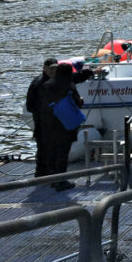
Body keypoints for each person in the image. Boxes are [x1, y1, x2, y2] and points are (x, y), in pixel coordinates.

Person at [25, 61, 86, 190]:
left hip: (48, 125)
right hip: (65, 125)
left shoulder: (46, 85)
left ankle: (51, 178)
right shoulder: (69, 86)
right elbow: (77, 103)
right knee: (63, 154)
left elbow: (40, 105)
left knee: (51, 152)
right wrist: (80, 100)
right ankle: (61, 181)